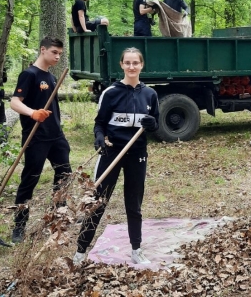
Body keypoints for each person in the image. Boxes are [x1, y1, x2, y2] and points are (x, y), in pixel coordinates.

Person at [73, 47, 160, 266]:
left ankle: (136, 250)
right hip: (111, 152)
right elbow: (99, 123)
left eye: (136, 63)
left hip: (137, 154)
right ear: (121, 65)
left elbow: (155, 124)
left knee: (134, 204)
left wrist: (152, 125)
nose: (132, 67)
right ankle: (80, 252)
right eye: (127, 63)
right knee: (98, 202)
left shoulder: (150, 94)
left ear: (142, 65)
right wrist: (99, 138)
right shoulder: (110, 92)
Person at [10, 37, 72, 243]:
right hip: (36, 137)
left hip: (56, 135)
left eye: (60, 54)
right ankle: (19, 226)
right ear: (42, 49)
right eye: (54, 52)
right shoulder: (29, 74)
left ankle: (58, 215)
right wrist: (32, 113)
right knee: (30, 179)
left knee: (64, 174)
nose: (57, 57)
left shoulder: (51, 76)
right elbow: (15, 102)